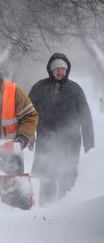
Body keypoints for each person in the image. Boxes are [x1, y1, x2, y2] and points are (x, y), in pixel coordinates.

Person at [29, 53, 95, 205]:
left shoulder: (75, 89)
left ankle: (66, 208)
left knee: (68, 176)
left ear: (67, 70)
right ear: (50, 70)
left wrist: (89, 143)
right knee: (48, 177)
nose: (60, 71)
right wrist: (29, 137)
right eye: (56, 68)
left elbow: (85, 116)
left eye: (62, 69)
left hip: (70, 142)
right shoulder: (39, 88)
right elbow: (28, 115)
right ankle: (46, 209)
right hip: (46, 141)